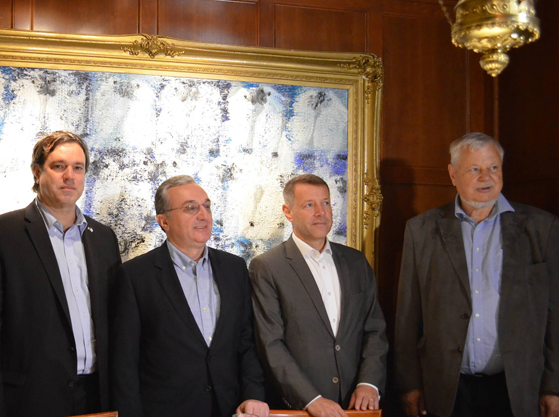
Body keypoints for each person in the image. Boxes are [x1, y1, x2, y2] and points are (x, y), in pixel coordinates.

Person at [395, 132, 559, 417]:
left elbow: (555, 314)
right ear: (453, 174)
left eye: (493, 167)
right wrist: (409, 384)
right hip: (447, 388)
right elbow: (408, 313)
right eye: (475, 169)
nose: (487, 177)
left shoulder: (541, 227)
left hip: (518, 388)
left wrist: (553, 387)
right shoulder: (421, 230)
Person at [0, 131, 121, 417]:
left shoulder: (104, 238)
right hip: (29, 399)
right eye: (59, 166)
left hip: (97, 396)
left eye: (78, 168)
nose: (70, 176)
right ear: (37, 172)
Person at [109, 175, 269, 417]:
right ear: (164, 221)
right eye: (191, 208)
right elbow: (125, 362)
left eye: (207, 206)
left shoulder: (234, 268)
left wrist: (253, 394)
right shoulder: (135, 276)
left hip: (230, 408)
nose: (204, 215)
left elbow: (246, 341)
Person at [249, 174, 388, 417]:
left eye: (325, 203)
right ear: (288, 212)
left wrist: (369, 383)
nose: (320, 212)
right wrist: (310, 399)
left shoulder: (356, 262)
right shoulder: (267, 267)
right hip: (301, 409)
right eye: (309, 205)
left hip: (356, 406)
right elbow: (270, 344)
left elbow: (375, 329)